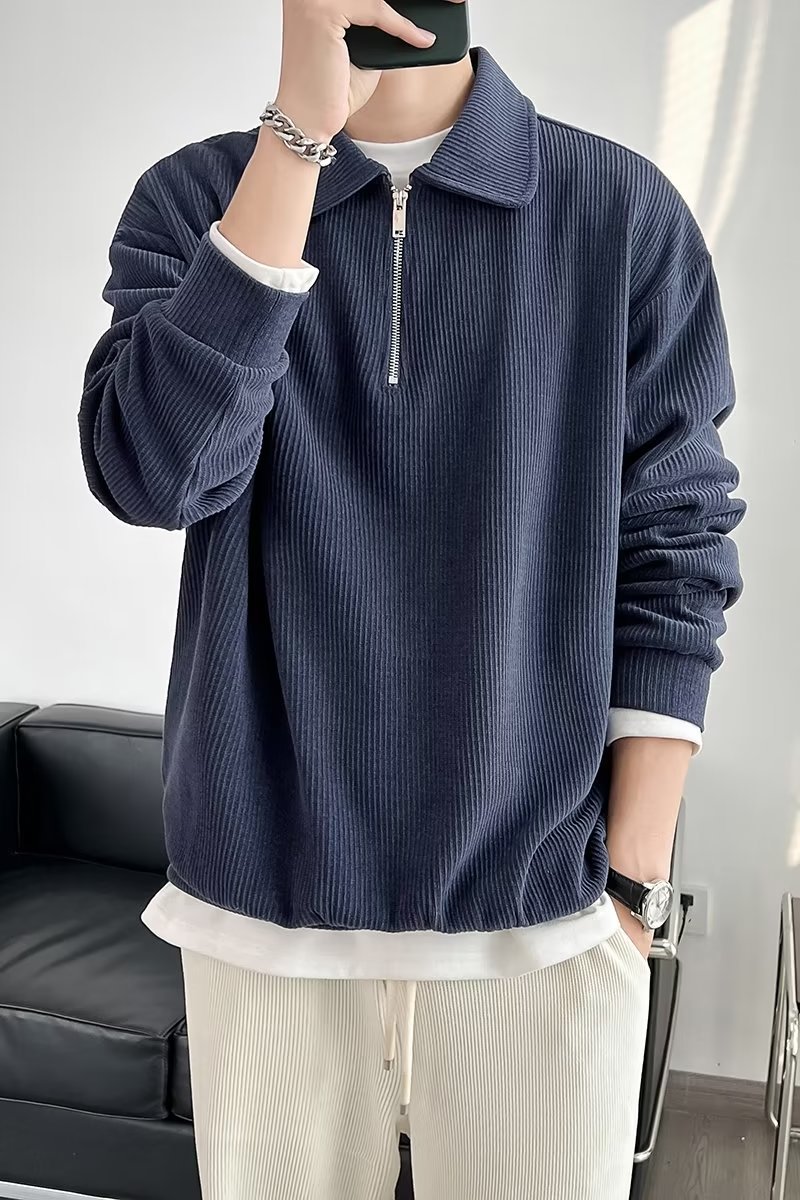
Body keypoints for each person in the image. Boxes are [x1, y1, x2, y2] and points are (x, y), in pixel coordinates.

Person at [78, 2, 745, 1197]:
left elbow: (675, 549)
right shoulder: (197, 201)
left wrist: (629, 887)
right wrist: (294, 142)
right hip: (262, 920)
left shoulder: (618, 212)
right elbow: (156, 476)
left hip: (543, 922)